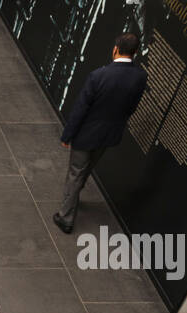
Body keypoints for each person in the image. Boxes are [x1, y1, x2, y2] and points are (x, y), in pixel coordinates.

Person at [52, 31, 148, 235]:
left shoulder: (99, 75)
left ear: (115, 49)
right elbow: (132, 107)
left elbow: (81, 108)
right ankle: (74, 196)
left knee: (75, 173)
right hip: (109, 134)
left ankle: (66, 217)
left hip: (86, 134)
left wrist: (67, 135)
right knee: (86, 170)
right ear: (135, 52)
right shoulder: (140, 76)